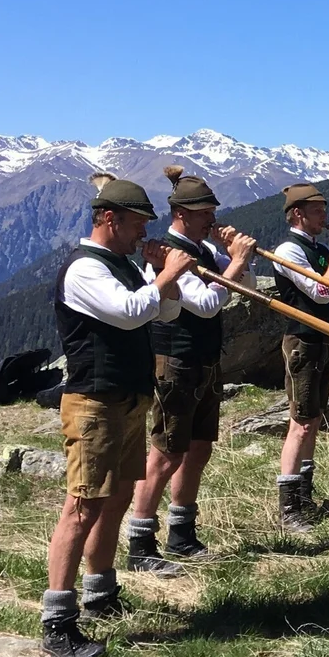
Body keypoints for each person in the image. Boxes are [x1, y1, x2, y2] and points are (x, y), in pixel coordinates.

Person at [42, 175, 197, 657]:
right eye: (136, 224)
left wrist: (159, 276)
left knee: (115, 500)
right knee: (83, 505)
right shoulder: (85, 269)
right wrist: (166, 274)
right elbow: (130, 313)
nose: (141, 233)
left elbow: (165, 314)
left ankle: (101, 592)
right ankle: (57, 622)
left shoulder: (124, 265)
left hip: (127, 400)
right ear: (109, 219)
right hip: (94, 402)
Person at [124, 166, 255, 572]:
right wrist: (235, 262)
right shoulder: (167, 256)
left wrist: (238, 260)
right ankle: (140, 542)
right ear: (182, 213)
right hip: (176, 360)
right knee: (165, 452)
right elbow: (207, 303)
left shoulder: (203, 252)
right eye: (204, 213)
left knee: (198, 448)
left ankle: (182, 534)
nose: (212, 219)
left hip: (204, 359)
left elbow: (243, 285)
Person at [270, 182, 329, 527]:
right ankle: (289, 508)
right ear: (298, 214)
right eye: (318, 211)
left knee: (314, 420)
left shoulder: (320, 248)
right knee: (301, 422)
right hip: (303, 342)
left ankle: (305, 497)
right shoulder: (288, 252)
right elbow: (323, 292)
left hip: (325, 339)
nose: (325, 216)